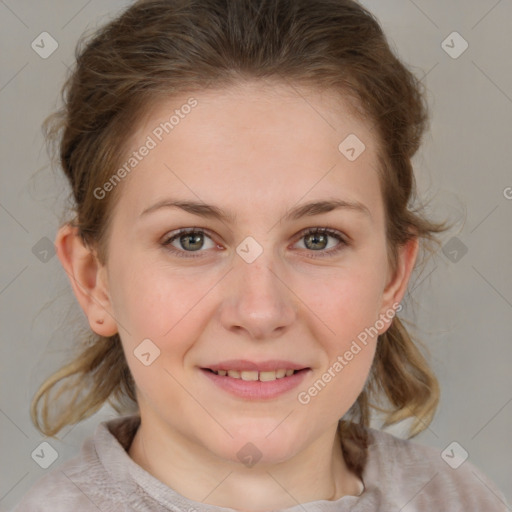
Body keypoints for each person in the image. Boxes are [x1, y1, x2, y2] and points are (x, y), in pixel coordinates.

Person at [11, 0, 509, 510]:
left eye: (318, 238)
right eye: (191, 239)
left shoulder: (462, 498)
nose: (260, 311)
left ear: (392, 278)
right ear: (95, 280)